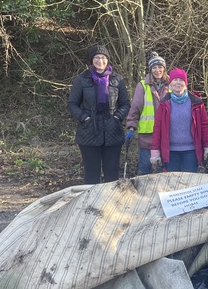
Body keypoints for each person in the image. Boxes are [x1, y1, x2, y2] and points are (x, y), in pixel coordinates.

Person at [67, 44, 131, 184]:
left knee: (112, 175)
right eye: (96, 57)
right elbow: (72, 103)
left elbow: (126, 103)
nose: (100, 60)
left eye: (103, 57)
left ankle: (111, 204)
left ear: (107, 60)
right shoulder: (82, 79)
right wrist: (85, 118)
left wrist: (118, 117)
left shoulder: (117, 79)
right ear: (91, 60)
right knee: (91, 174)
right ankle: (90, 204)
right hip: (89, 131)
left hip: (112, 132)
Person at [150, 68, 208, 172]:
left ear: (186, 83)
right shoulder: (164, 104)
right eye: (175, 80)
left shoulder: (196, 103)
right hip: (170, 153)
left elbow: (204, 126)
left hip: (191, 152)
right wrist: (155, 151)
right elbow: (157, 129)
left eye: (181, 80)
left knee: (189, 185)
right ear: (170, 84)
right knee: (172, 185)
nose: (178, 83)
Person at [125, 52, 170, 175]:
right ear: (150, 70)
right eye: (154, 68)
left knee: (164, 170)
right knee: (145, 169)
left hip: (167, 134)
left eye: (160, 67)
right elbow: (135, 108)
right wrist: (131, 127)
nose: (157, 70)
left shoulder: (171, 84)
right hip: (147, 136)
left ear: (164, 69)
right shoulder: (143, 86)